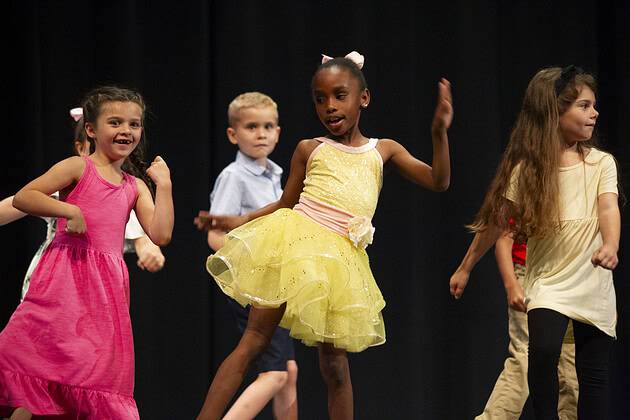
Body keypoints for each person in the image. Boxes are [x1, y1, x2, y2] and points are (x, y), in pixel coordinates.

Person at [194, 51, 453, 420]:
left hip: (336, 265)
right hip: (292, 245)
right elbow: (285, 204)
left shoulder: (383, 150)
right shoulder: (309, 149)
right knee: (252, 341)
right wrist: (235, 221)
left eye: (339, 96)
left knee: (335, 367)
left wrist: (438, 132)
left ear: (363, 98)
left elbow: (439, 181)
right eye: (320, 98)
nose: (330, 106)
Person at [449, 66, 619, 419]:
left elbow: (608, 207)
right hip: (548, 283)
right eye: (584, 106)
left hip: (591, 283)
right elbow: (498, 225)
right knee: (540, 353)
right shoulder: (528, 171)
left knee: (591, 374)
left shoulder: (602, 163)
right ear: (557, 112)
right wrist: (466, 267)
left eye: (594, 106)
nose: (594, 114)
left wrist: (611, 246)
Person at [0, 86, 174, 420]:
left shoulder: (134, 186)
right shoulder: (77, 168)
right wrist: (69, 211)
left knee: (90, 370)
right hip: (64, 279)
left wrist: (163, 185)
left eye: (134, 124)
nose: (126, 130)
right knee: (41, 358)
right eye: (115, 122)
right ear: (91, 130)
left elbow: (161, 233)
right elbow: (25, 197)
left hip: (105, 290)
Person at [0, 108, 165, 303]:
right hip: (53, 288)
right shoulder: (65, 192)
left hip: (95, 293)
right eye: (96, 149)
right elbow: (13, 204)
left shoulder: (125, 196)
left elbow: (144, 238)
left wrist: (150, 251)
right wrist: (68, 209)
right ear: (81, 149)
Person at [206, 92, 298, 420]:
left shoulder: (275, 175)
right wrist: (252, 261)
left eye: (268, 126)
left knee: (287, 371)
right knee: (275, 374)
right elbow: (216, 235)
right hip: (252, 286)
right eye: (252, 126)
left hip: (276, 285)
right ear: (234, 134)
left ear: (278, 132)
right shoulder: (235, 176)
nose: (261, 133)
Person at [473, 229, 578, 419]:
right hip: (531, 275)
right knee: (525, 356)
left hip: (567, 276)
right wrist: (512, 285)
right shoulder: (525, 198)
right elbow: (503, 236)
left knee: (570, 363)